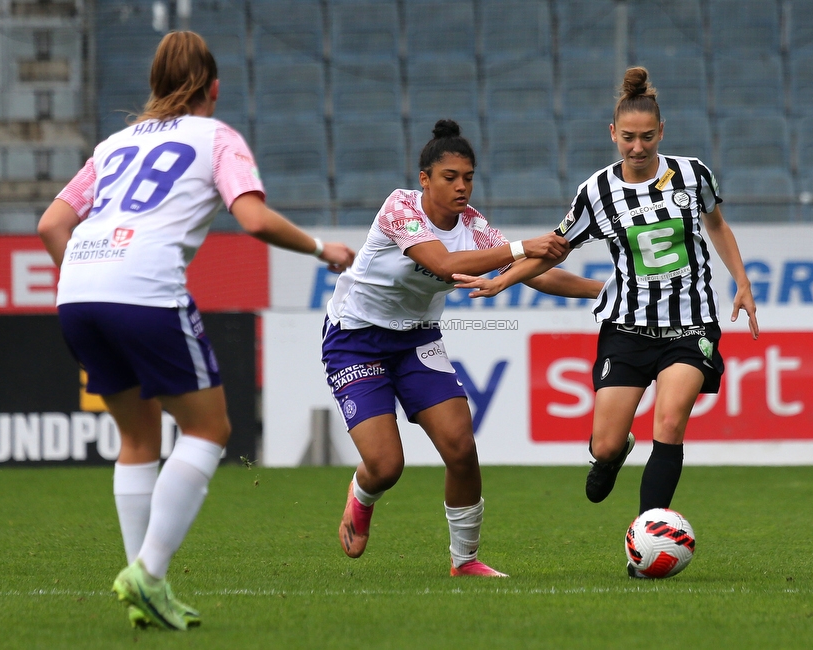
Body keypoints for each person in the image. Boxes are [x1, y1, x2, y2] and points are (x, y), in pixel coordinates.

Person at [37, 31, 355, 630]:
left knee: (139, 439)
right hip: (146, 290)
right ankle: (148, 573)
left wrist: (89, 275)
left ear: (155, 86)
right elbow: (254, 219)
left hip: (79, 290)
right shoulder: (217, 138)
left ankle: (144, 589)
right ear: (213, 89)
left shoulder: (112, 145)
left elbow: (52, 223)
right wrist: (321, 249)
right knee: (209, 429)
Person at [454, 67, 759, 578]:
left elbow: (717, 225)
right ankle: (612, 456)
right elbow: (553, 249)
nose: (636, 147)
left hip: (690, 325)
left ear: (661, 133)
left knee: (670, 421)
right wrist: (501, 281)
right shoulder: (595, 192)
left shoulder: (693, 174)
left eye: (646, 137)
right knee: (606, 444)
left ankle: (647, 545)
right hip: (627, 327)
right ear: (612, 134)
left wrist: (742, 282)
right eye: (627, 137)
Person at [324, 119, 602, 577]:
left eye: (468, 177)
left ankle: (465, 561)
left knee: (460, 447)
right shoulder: (399, 208)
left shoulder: (473, 225)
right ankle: (362, 494)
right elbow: (444, 263)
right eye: (450, 177)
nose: (461, 187)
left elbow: (536, 271)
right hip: (356, 341)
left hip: (416, 338)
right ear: (425, 179)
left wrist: (604, 290)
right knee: (386, 465)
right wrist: (521, 246)